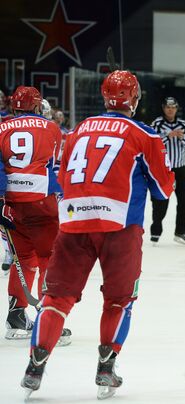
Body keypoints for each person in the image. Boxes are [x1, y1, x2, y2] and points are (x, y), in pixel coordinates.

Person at [19, 71, 175, 399]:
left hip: (74, 223)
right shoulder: (145, 135)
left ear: (105, 98)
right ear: (134, 99)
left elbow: (61, 179)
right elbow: (163, 190)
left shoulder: (75, 132)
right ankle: (106, 367)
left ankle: (35, 367)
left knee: (57, 298)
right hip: (121, 228)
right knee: (119, 300)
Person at [0, 86, 71, 344]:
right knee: (48, 258)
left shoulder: (1, 128)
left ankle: (16, 317)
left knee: (24, 258)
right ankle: (46, 319)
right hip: (41, 202)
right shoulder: (52, 128)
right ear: (37, 105)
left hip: (10, 205)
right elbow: (55, 167)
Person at [150, 97, 185, 245]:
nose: (171, 110)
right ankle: (156, 231)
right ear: (163, 108)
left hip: (180, 169)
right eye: (168, 107)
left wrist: (181, 138)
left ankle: (181, 231)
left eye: (173, 107)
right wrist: (168, 137)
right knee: (160, 201)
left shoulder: (183, 124)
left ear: (177, 108)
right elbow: (151, 144)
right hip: (163, 169)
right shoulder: (157, 124)